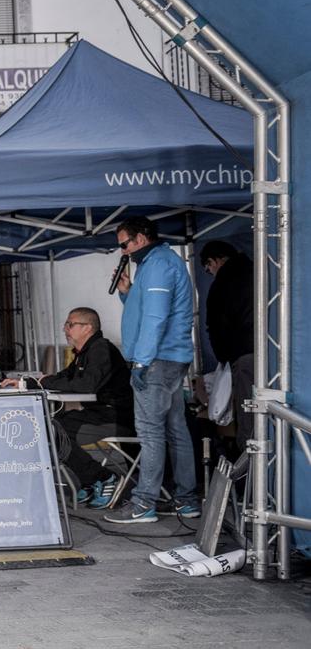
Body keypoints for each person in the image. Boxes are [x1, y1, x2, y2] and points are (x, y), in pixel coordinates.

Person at [105, 217, 199, 524]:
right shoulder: (154, 265)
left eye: (124, 244)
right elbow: (147, 309)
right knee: (175, 429)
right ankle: (186, 500)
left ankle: (143, 503)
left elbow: (156, 318)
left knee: (150, 431)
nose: (122, 251)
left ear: (141, 238)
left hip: (158, 360)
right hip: (168, 358)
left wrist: (142, 361)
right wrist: (127, 292)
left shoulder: (159, 264)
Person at [5, 308, 133, 506]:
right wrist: (27, 383)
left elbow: (85, 385)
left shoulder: (100, 349)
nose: (65, 329)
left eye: (70, 324)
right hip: (98, 414)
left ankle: (104, 478)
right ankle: (91, 479)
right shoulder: (85, 352)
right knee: (48, 428)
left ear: (87, 328)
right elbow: (64, 377)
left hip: (115, 417)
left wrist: (43, 383)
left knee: (54, 432)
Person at [199, 240, 255, 453]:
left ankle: (249, 477)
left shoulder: (222, 283)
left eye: (208, 268)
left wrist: (224, 358)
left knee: (248, 416)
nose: (210, 273)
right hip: (273, 354)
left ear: (214, 261)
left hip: (243, 354)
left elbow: (216, 326)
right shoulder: (257, 270)